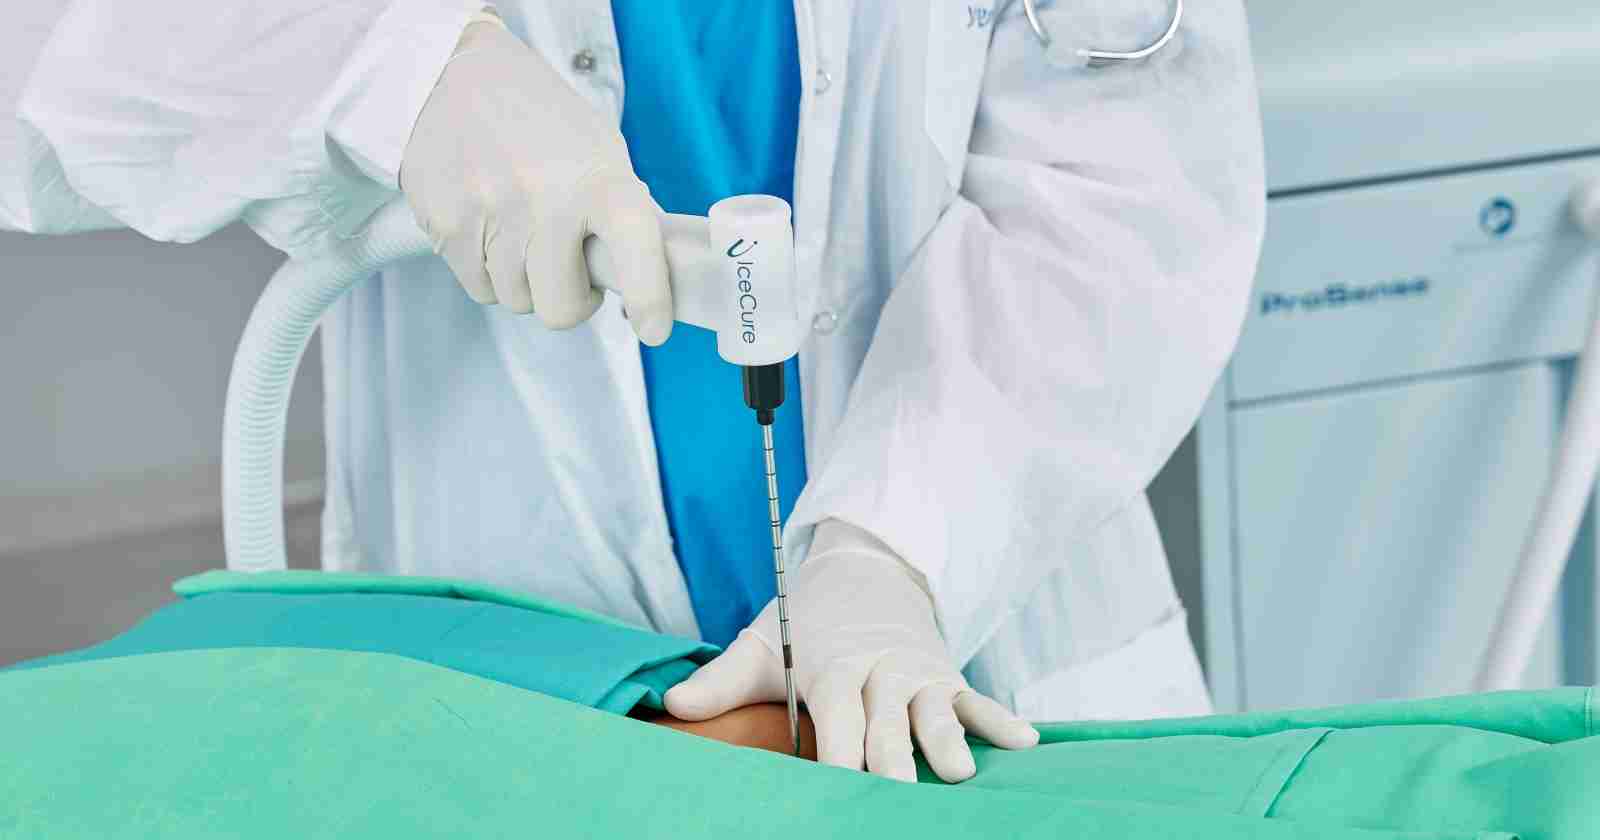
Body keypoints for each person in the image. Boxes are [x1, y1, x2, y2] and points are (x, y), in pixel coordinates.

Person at [17, 1, 1265, 782]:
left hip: (991, 616)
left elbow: (1122, 188)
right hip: (527, 653)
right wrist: (390, 68)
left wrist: (897, 548)